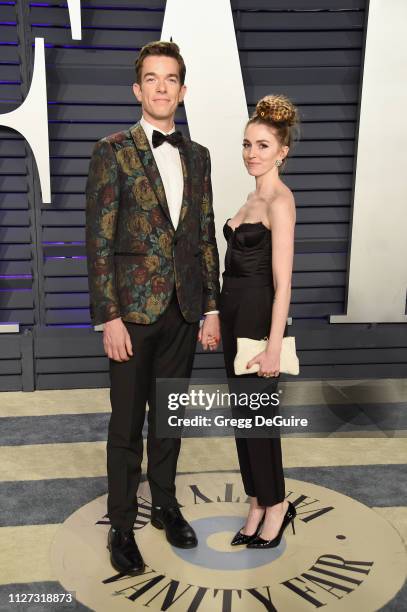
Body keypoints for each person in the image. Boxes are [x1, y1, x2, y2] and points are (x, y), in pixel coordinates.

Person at [85, 41, 221, 575]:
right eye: (152, 78)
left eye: (171, 79)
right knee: (126, 425)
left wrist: (211, 308)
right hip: (132, 316)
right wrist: (109, 316)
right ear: (138, 89)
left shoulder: (199, 157)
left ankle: (164, 504)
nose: (162, 87)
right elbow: (98, 240)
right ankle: (122, 524)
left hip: (184, 311)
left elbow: (205, 236)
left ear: (182, 91)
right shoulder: (111, 150)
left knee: (169, 418)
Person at [211, 94, 298, 548]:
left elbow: (283, 284)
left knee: (260, 418)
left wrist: (271, 345)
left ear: (281, 151)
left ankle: (277, 502)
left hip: (260, 319)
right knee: (244, 418)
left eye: (262, 145)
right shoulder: (249, 197)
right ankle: (258, 499)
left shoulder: (281, 202)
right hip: (232, 315)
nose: (251, 153)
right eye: (247, 144)